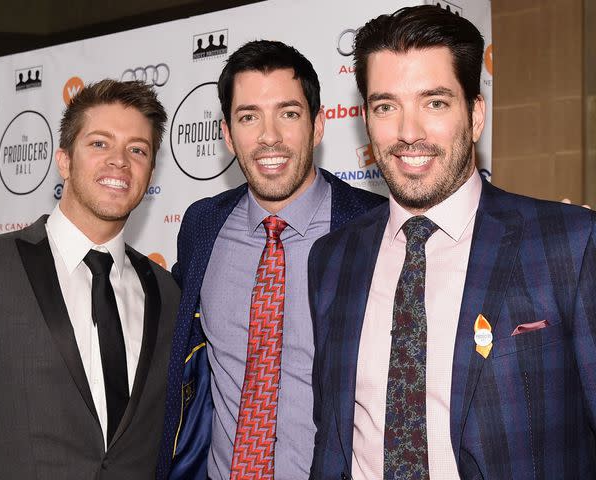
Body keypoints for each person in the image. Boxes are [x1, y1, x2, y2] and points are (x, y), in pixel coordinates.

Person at [309, 5, 596, 480]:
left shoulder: (568, 244)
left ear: (475, 114)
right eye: (386, 106)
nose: (408, 132)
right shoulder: (332, 259)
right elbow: (334, 438)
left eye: (435, 102)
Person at [156, 40, 384, 479]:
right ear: (226, 134)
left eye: (289, 113)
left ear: (318, 125)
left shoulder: (374, 228)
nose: (269, 137)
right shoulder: (202, 226)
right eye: (248, 117)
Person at [0, 79, 180, 479]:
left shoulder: (167, 292)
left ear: (150, 171)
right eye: (99, 143)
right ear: (64, 160)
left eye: (137, 150)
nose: (119, 161)